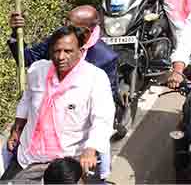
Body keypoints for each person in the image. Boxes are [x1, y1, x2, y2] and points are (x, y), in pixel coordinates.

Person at [4, 27, 112, 183]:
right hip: (30, 158)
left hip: (69, 163)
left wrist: (91, 149)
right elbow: (27, 100)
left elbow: (102, 119)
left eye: (68, 51)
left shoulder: (95, 78)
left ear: (81, 51)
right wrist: (17, 129)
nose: (61, 57)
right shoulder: (37, 71)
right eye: (57, 51)